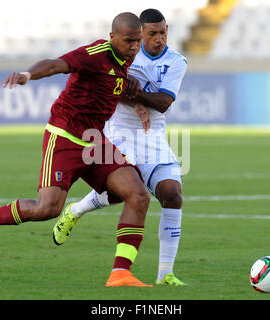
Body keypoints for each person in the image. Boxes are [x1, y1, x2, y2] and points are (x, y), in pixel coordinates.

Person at [0, 12, 154, 288]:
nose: (134, 46)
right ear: (112, 37)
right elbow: (57, 64)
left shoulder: (126, 60)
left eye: (137, 41)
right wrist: (27, 74)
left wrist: (137, 103)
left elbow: (107, 90)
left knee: (137, 193)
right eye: (129, 40)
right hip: (66, 138)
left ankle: (121, 273)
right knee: (46, 209)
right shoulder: (95, 53)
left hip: (96, 142)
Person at [52, 9, 188, 286]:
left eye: (163, 32)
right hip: (118, 133)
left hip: (154, 137)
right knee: (125, 193)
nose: (159, 39)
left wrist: (134, 92)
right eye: (152, 34)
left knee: (172, 194)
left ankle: (166, 275)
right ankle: (75, 211)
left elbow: (163, 102)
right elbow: (109, 86)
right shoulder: (125, 52)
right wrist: (131, 95)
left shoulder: (176, 61)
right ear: (139, 33)